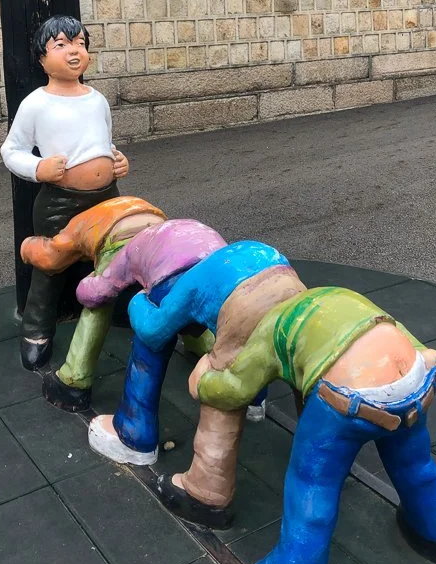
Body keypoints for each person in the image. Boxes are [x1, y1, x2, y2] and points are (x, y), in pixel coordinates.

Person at [189, 285, 436, 564]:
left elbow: (237, 388)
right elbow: (385, 322)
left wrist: (203, 381)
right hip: (414, 379)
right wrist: (426, 352)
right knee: (414, 462)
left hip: (350, 400)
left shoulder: (271, 325)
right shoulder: (335, 295)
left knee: (312, 485)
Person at [88, 240, 307, 526]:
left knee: (221, 384)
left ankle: (185, 474)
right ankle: (298, 434)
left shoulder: (182, 281)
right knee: (297, 360)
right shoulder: (217, 252)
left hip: (240, 300)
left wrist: (138, 302)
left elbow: (154, 330)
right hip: (288, 283)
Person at [0, 15, 129, 370]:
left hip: (107, 195)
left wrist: (116, 160)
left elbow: (101, 141)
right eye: (61, 45)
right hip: (61, 201)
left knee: (116, 253)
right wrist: (38, 168)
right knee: (52, 264)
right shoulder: (36, 104)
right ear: (42, 58)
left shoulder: (97, 100)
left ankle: (119, 307)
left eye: (80, 44)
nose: (74, 52)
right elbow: (11, 150)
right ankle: (36, 329)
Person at [41, 217, 227, 415]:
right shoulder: (163, 231)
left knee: (151, 337)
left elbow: (96, 294)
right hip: (218, 260)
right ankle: (237, 381)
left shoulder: (129, 250)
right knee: (224, 317)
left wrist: (135, 302)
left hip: (167, 268)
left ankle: (80, 384)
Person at [21, 194, 167, 406]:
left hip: (120, 238)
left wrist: (27, 249)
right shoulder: (121, 202)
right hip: (162, 229)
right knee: (174, 287)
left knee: (97, 302)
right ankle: (201, 341)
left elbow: (51, 258)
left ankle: (74, 379)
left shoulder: (74, 229)